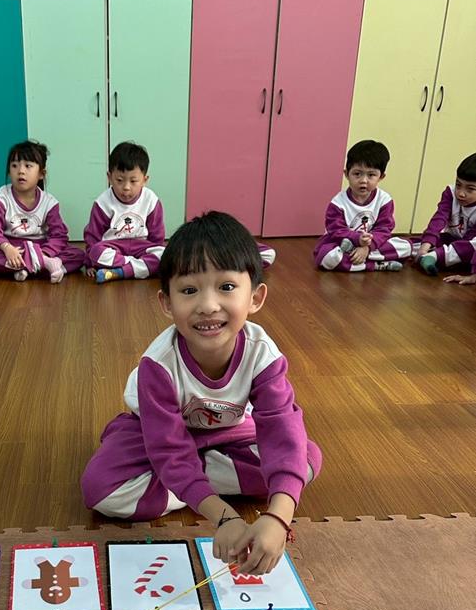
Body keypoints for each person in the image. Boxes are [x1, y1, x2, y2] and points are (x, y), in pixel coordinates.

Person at [81, 211, 321, 576]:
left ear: (255, 297)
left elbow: (281, 429)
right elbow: (167, 447)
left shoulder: (263, 354)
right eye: (189, 290)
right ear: (166, 303)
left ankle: (190, 478)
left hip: (228, 430)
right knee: (100, 489)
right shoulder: (158, 365)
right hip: (155, 432)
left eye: (226, 287)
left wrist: (278, 517)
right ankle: (194, 479)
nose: (208, 306)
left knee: (304, 458)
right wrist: (223, 516)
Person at [0, 140, 84, 283]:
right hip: (13, 248)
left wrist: (44, 253)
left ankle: (25, 267)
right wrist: (6, 248)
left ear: (41, 174)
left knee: (78, 255)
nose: (20, 171)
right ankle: (43, 265)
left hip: (41, 247)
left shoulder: (49, 203)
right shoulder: (1, 197)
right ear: (9, 171)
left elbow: (59, 235)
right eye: (14, 166)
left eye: (28, 166)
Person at [314, 140, 411, 273]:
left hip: (372, 245)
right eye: (357, 174)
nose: (363, 180)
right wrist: (357, 239)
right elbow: (336, 231)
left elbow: (384, 230)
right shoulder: (338, 203)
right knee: (327, 257)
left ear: (381, 176)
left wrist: (367, 248)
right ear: (347, 174)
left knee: (406, 246)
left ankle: (360, 260)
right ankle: (376, 265)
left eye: (371, 175)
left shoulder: (384, 200)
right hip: (341, 244)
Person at [83, 141, 166, 282]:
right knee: (96, 252)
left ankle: (120, 272)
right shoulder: (103, 203)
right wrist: (89, 263)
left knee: (165, 255)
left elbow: (157, 236)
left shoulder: (151, 200)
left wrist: (155, 252)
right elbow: (93, 237)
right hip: (113, 247)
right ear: (109, 177)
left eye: (133, 181)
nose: (126, 187)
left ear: (144, 180)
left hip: (141, 247)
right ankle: (138, 268)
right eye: (119, 180)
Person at [416, 153, 476, 284]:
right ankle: (427, 255)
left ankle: (434, 256)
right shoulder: (450, 193)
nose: (461, 193)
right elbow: (439, 218)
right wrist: (426, 244)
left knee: (470, 247)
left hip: (468, 246)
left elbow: (469, 241)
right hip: (451, 241)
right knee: (419, 242)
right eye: (458, 185)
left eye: (470, 189)